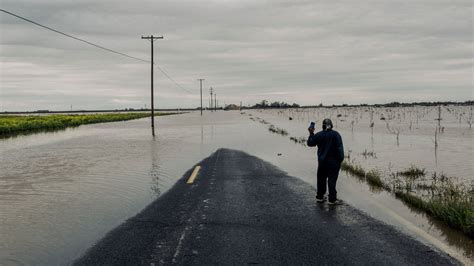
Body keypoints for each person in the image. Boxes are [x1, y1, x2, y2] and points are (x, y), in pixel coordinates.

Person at [307, 119, 344, 205]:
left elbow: (310, 143)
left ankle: (320, 197)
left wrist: (311, 133)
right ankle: (332, 199)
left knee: (321, 179)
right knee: (332, 181)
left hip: (322, 162)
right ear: (331, 125)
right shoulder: (336, 135)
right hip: (334, 163)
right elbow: (340, 150)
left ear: (323, 126)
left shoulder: (319, 134)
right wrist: (340, 160)